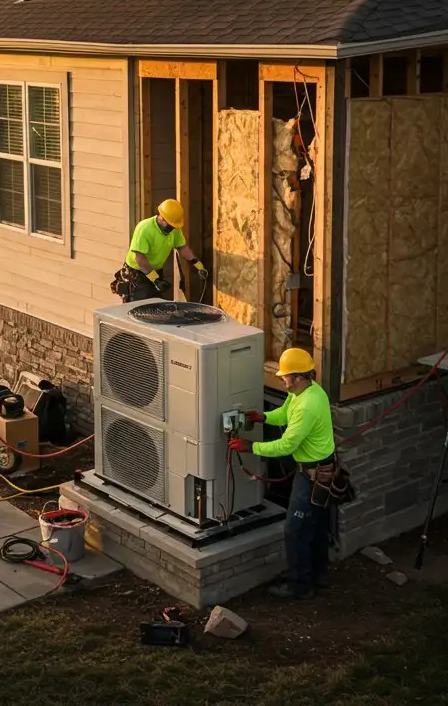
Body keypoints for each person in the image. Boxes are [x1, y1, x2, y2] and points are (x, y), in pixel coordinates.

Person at [228, 347, 335, 599]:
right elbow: (285, 414)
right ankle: (316, 574)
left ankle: (299, 585)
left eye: (285, 375)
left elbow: (287, 445)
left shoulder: (308, 405)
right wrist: (262, 417)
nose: (281, 378)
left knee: (295, 529)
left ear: (298, 376)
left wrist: (250, 446)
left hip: (313, 475)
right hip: (318, 470)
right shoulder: (303, 392)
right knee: (316, 525)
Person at [115, 198, 208, 302]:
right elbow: (140, 259)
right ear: (163, 219)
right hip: (137, 274)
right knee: (140, 307)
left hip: (156, 271)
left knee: (156, 304)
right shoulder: (145, 229)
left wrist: (198, 265)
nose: (173, 228)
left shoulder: (174, 229)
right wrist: (155, 279)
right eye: (171, 225)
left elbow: (182, 248)